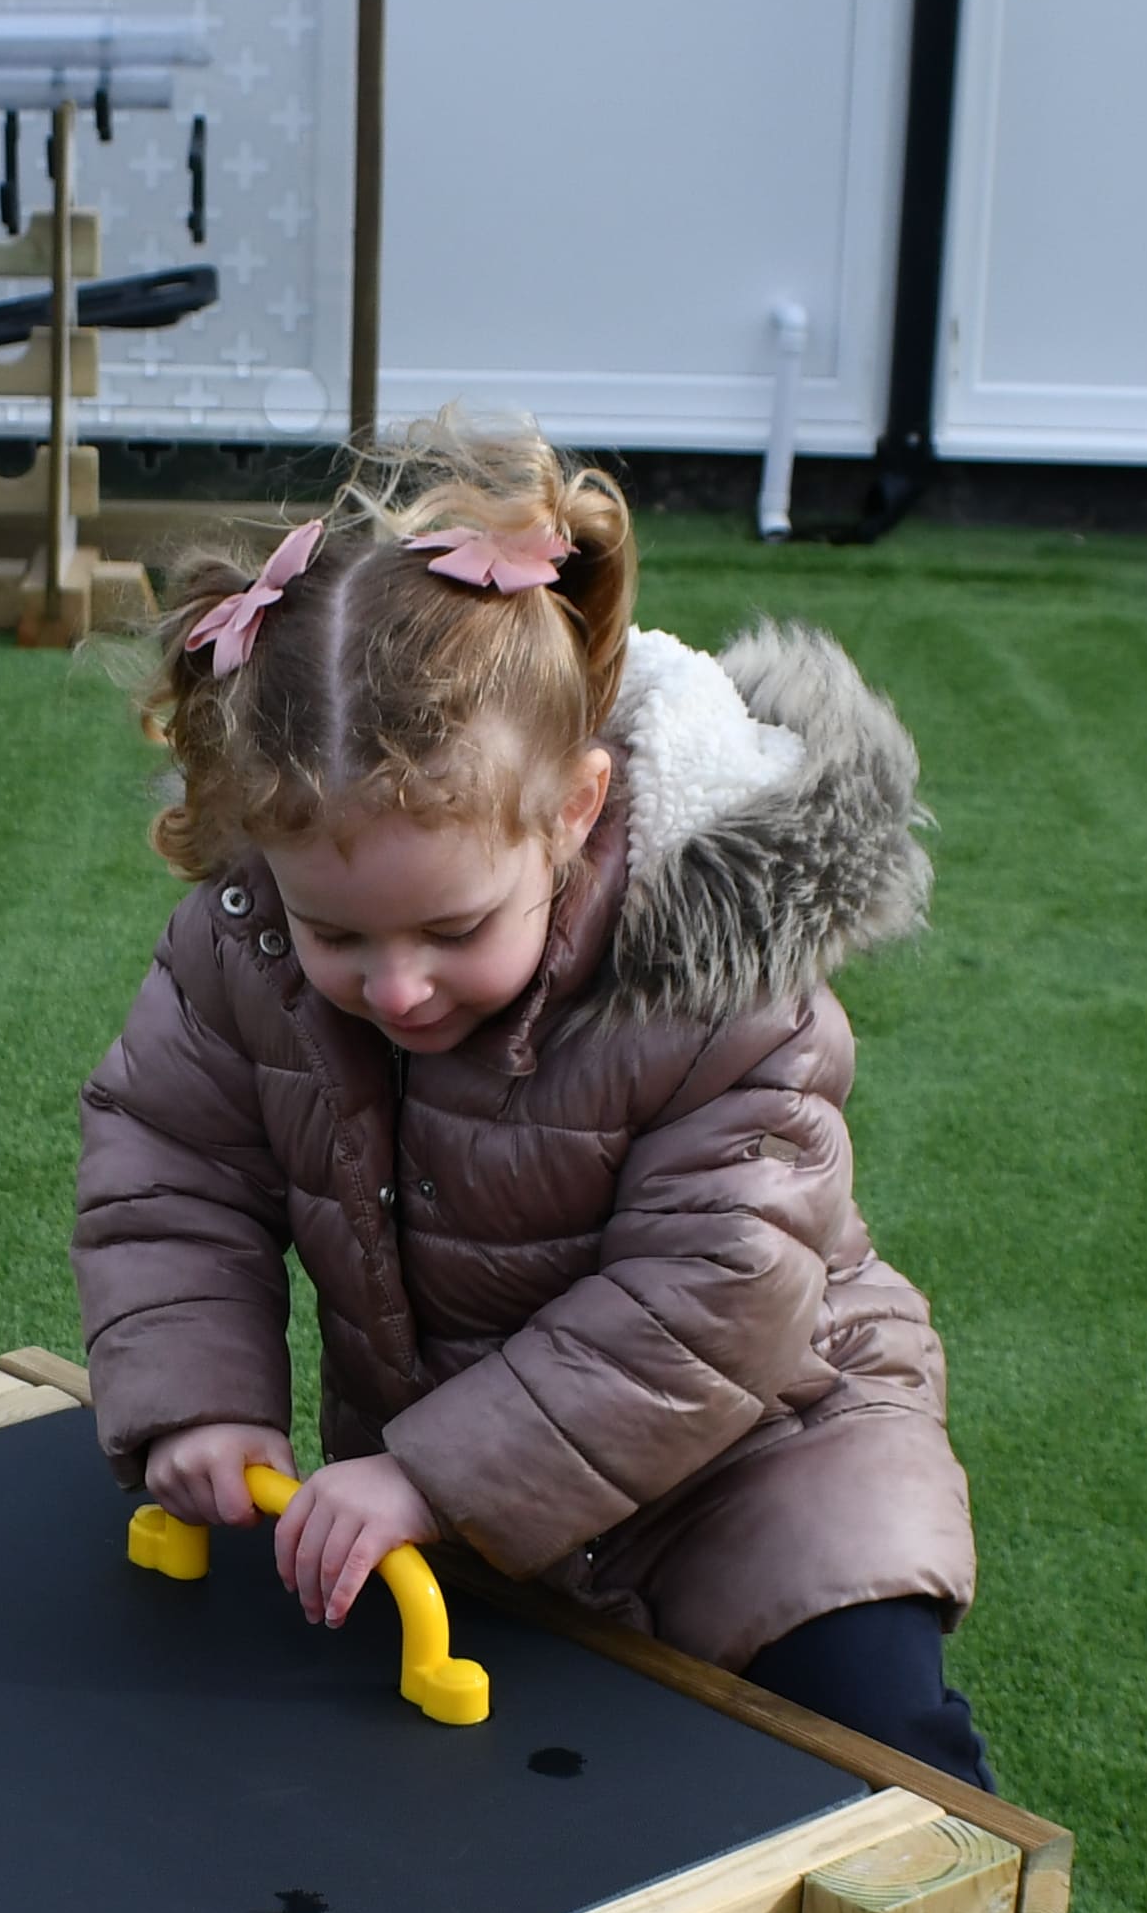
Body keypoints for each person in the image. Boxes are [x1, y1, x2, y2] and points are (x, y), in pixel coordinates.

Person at [74, 410, 991, 1791]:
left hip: (761, 1458)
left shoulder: (717, 989)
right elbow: (173, 1163)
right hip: (467, 1467)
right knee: (471, 1804)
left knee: (869, 1750)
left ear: (573, 809)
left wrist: (433, 1477)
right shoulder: (249, 939)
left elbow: (714, 1293)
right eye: (342, 936)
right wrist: (199, 1400)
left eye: (451, 931)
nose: (393, 987)